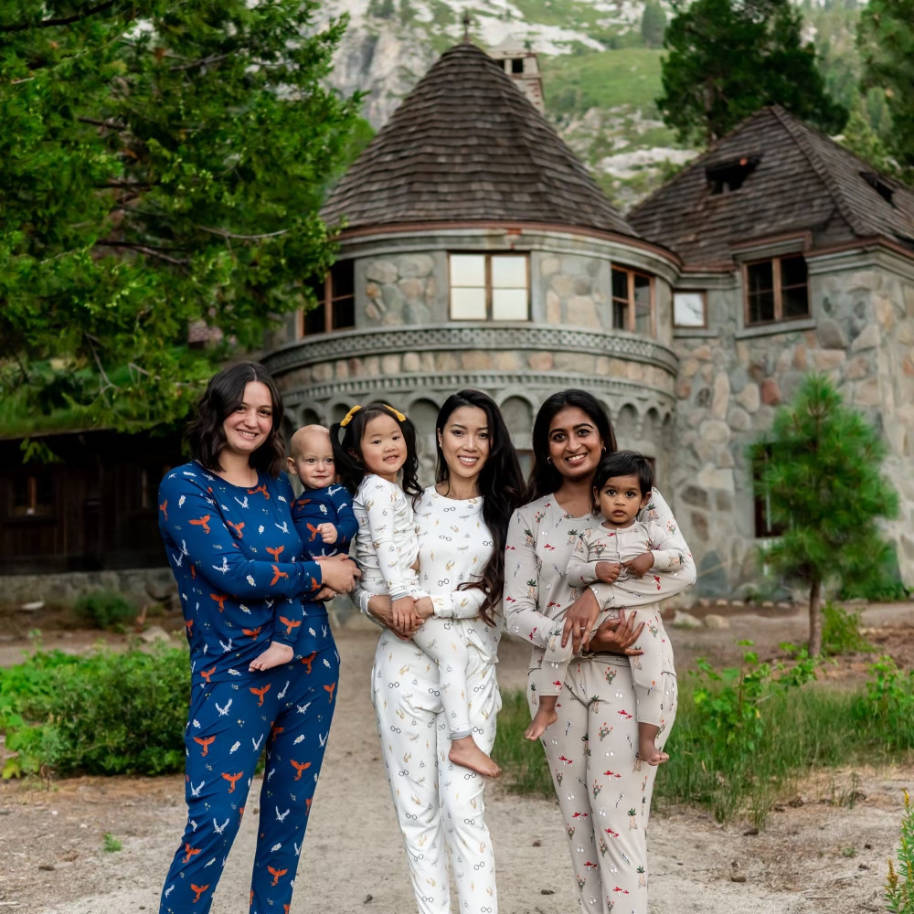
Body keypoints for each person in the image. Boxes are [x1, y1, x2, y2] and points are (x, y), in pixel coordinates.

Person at [156, 361, 358, 914]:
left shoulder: (277, 485)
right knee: (213, 822)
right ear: (217, 410)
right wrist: (320, 575)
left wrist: (331, 567)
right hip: (232, 671)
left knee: (286, 827)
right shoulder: (185, 486)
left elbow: (310, 555)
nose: (252, 420)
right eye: (241, 407)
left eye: (264, 411)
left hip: (311, 666)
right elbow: (230, 570)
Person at [503, 389, 695, 914]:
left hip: (630, 676)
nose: (572, 445)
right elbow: (515, 611)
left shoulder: (639, 497)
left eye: (582, 431)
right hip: (558, 680)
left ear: (603, 436)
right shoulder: (531, 520)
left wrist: (598, 595)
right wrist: (578, 633)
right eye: (558, 436)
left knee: (618, 818)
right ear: (545, 449)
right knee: (580, 824)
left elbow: (683, 572)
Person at [358, 390, 525, 914]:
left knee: (463, 807)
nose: (470, 444)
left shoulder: (508, 515)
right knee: (417, 814)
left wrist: (431, 602)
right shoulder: (405, 503)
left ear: (494, 443)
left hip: (470, 676)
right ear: (438, 436)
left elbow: (501, 598)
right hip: (402, 671)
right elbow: (368, 579)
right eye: (459, 431)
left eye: (482, 434)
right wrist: (374, 605)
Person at [331, 400, 500, 778]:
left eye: (394, 437)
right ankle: (463, 740)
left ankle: (461, 739)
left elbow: (392, 542)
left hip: (399, 592)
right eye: (377, 441)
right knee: (452, 655)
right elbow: (387, 551)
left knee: (452, 657)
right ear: (356, 453)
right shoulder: (380, 491)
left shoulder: (393, 492)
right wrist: (402, 594)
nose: (389, 446)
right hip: (395, 595)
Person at [526, 451, 690, 766]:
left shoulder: (648, 534)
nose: (619, 501)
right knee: (561, 643)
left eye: (629, 495)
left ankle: (646, 740)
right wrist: (595, 570)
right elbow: (572, 572)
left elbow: (679, 559)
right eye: (611, 492)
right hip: (594, 615)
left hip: (639, 617)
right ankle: (547, 708)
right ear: (597, 495)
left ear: (643, 501)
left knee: (651, 674)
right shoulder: (588, 536)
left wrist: (652, 559)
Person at [287, 423, 358, 559]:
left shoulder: (338, 492)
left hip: (335, 565)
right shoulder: (298, 501)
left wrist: (338, 532)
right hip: (308, 570)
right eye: (311, 460)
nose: (321, 468)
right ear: (293, 466)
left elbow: (351, 521)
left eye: (329, 460)